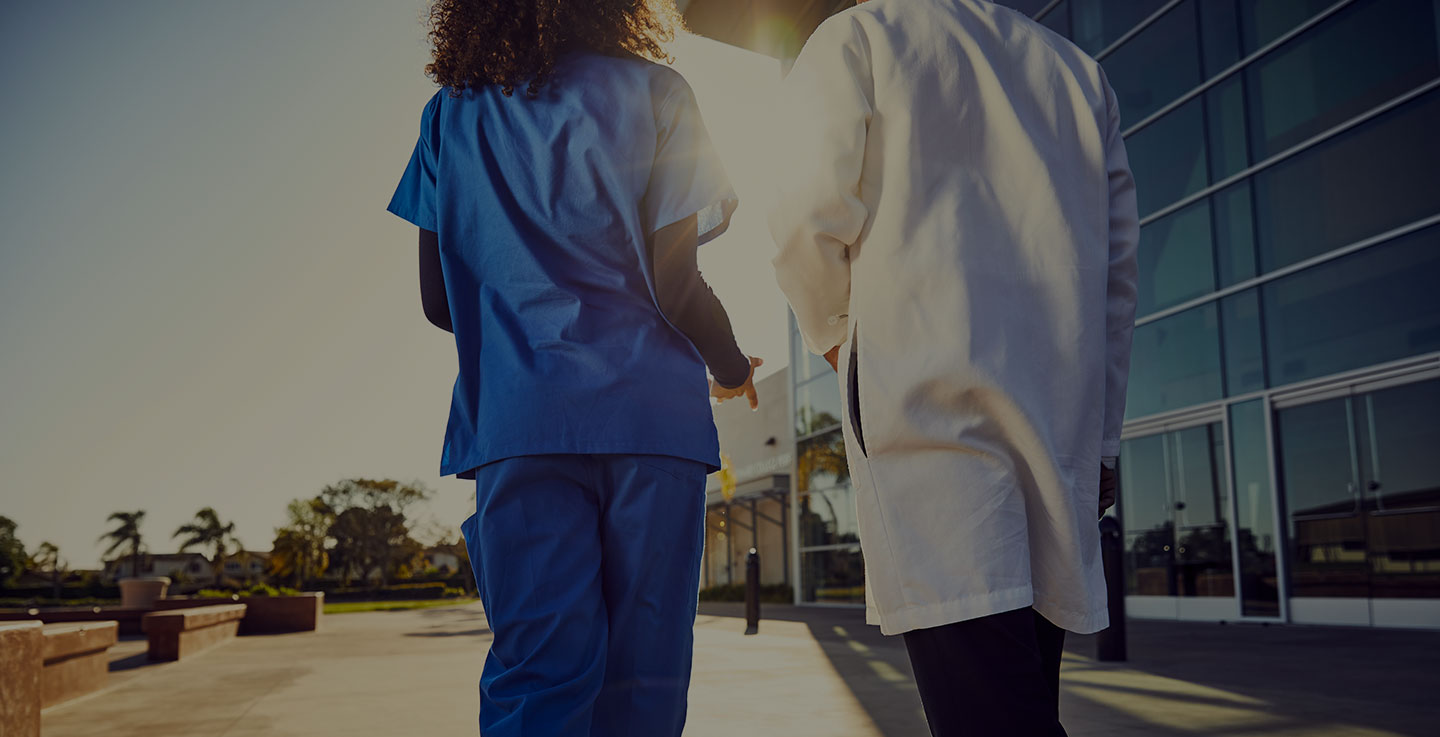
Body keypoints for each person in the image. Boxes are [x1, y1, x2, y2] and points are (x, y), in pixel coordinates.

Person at [385, 2, 760, 734]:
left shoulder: (448, 117)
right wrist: (729, 362)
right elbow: (676, 285)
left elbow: (439, 301)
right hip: (652, 427)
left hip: (518, 427)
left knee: (537, 676)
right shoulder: (658, 93)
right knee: (643, 682)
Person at [767, 0, 1138, 734]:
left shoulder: (858, 36)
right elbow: (1116, 283)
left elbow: (805, 223)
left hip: (928, 420)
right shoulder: (1081, 75)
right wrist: (1101, 441)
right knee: (1019, 697)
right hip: (1052, 428)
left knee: (991, 715)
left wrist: (843, 343)